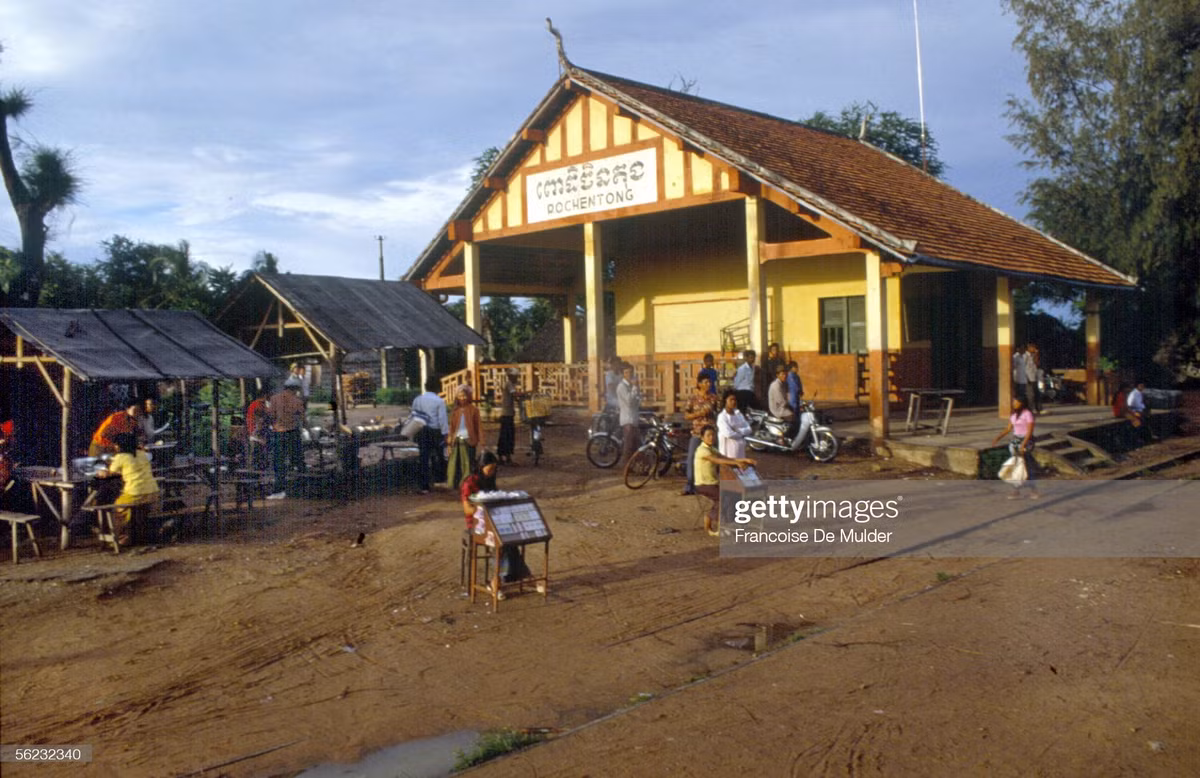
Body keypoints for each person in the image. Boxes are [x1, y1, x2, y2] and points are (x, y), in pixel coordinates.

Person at [462, 451, 530, 583]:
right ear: (481, 466)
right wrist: (483, 508)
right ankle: (497, 579)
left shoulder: (490, 480)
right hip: (477, 524)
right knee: (501, 541)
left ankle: (512, 575)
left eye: (494, 469)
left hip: (494, 520)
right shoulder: (469, 483)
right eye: (490, 469)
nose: (492, 472)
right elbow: (467, 510)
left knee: (511, 538)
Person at [96, 432, 160, 544]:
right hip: (152, 491)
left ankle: (118, 538)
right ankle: (131, 536)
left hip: (136, 492)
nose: (114, 447)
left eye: (115, 445)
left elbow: (109, 473)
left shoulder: (121, 457)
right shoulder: (142, 454)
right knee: (135, 509)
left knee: (118, 510)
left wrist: (101, 472)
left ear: (119, 446)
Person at [693, 424, 755, 536]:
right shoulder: (702, 450)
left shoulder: (712, 448)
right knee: (722, 499)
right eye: (708, 435)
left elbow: (725, 458)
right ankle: (713, 525)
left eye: (713, 435)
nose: (711, 437)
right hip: (703, 485)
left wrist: (744, 460)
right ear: (702, 437)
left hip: (713, 483)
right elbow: (718, 461)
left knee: (734, 493)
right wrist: (736, 463)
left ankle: (730, 522)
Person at [991, 396, 1039, 500]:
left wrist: (1024, 444)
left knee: (1026, 464)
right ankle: (1016, 490)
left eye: (1015, 401)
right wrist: (998, 438)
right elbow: (1008, 428)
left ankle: (1033, 489)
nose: (1013, 403)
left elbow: (1030, 431)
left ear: (1021, 402)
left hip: (1027, 440)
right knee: (1016, 466)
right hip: (1016, 441)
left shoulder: (1028, 414)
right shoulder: (1014, 415)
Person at [267, 377, 307, 500]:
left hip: (278, 432)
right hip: (293, 433)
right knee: (298, 460)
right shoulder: (297, 400)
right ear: (295, 389)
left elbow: (270, 415)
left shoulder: (274, 399)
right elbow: (303, 418)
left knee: (279, 462)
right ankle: (303, 487)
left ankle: (279, 490)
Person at [682, 373, 719, 496]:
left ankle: (711, 484)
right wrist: (699, 413)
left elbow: (719, 414)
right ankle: (690, 484)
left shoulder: (714, 398)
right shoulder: (692, 399)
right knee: (692, 458)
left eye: (710, 382)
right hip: (697, 433)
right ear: (699, 384)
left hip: (711, 434)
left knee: (713, 459)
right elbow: (686, 416)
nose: (709, 384)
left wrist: (711, 412)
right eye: (706, 382)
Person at [411, 377, 450, 493]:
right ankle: (440, 480)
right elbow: (442, 419)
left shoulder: (417, 399)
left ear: (425, 387)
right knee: (439, 456)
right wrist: (445, 434)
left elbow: (414, 416)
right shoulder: (439, 401)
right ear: (438, 388)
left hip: (422, 430)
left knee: (423, 457)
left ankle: (424, 486)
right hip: (435, 431)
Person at [446, 385, 483, 490]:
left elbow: (479, 427)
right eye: (460, 396)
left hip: (469, 440)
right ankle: (456, 485)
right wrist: (449, 442)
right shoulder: (455, 411)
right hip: (456, 440)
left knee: (468, 464)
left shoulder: (474, 410)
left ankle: (467, 485)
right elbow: (452, 428)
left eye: (464, 395)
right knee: (455, 464)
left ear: (468, 396)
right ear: (457, 397)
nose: (462, 398)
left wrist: (482, 443)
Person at [717, 389, 752, 459]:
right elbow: (728, 434)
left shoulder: (738, 414)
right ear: (725, 401)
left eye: (735, 400)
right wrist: (741, 433)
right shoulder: (722, 417)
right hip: (728, 452)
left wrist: (737, 431)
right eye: (731, 400)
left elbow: (749, 429)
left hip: (740, 451)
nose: (733, 402)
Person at [617, 362, 641, 462]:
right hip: (628, 420)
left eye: (631, 372)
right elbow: (629, 402)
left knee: (635, 445)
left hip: (634, 419)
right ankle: (627, 467)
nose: (629, 374)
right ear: (623, 374)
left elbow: (637, 400)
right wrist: (635, 388)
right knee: (629, 446)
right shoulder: (621, 387)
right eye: (627, 372)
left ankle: (634, 466)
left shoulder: (631, 386)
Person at [768, 364, 799, 441]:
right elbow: (781, 401)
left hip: (782, 407)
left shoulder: (783, 384)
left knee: (797, 413)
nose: (784, 376)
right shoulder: (775, 385)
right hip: (777, 409)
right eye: (782, 374)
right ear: (777, 375)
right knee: (793, 417)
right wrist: (790, 406)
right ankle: (786, 437)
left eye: (785, 374)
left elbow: (787, 396)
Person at [244, 386, 271, 472]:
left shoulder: (257, 404)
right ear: (265, 395)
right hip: (256, 432)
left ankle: (255, 470)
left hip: (256, 431)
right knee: (256, 454)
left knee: (257, 454)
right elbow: (260, 419)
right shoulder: (258, 405)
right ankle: (253, 472)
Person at [496, 369, 518, 466]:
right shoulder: (509, 384)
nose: (517, 378)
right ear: (511, 376)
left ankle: (502, 456)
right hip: (507, 414)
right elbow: (515, 394)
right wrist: (526, 393)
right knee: (508, 435)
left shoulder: (510, 384)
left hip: (507, 413)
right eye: (516, 376)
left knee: (505, 435)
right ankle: (506, 457)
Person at [1024, 343, 1042, 414]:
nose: (1034, 349)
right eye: (1033, 348)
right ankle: (1030, 409)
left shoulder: (1033, 356)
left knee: (1037, 393)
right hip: (1028, 378)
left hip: (1034, 377)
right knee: (1030, 395)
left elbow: (1037, 364)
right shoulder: (1025, 356)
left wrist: (1036, 355)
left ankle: (1038, 408)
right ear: (1029, 348)